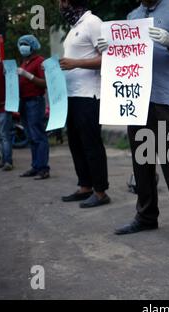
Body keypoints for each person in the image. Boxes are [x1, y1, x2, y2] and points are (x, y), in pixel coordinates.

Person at [103, 0, 169, 249]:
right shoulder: (132, 16)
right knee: (142, 164)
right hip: (135, 100)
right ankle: (146, 215)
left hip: (166, 99)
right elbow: (123, 59)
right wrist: (109, 50)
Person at [58, 0, 111, 208]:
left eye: (62, 1)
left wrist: (75, 63)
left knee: (91, 144)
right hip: (71, 96)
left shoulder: (93, 22)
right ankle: (85, 186)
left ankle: (100, 192)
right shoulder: (73, 28)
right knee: (75, 144)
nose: (60, 6)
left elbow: (109, 57)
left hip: (89, 96)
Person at [16, 35, 50, 180]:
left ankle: (43, 168)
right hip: (24, 101)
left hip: (35, 102)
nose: (23, 46)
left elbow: (45, 83)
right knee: (30, 136)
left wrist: (28, 75)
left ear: (33, 46)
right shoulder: (24, 62)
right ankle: (35, 166)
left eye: (26, 44)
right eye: (21, 44)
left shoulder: (40, 61)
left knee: (38, 135)